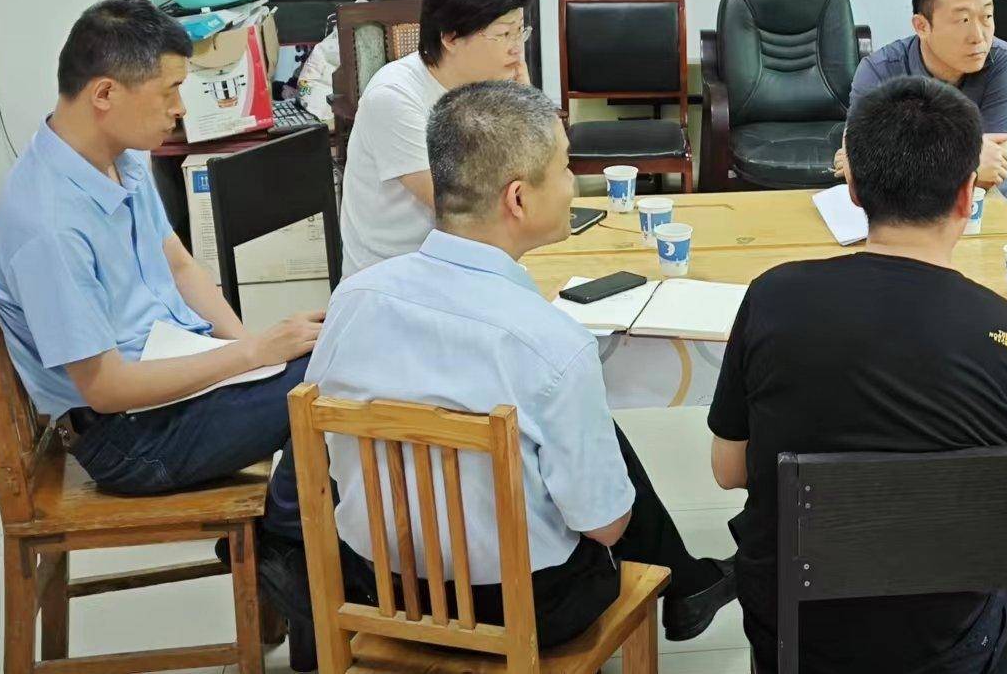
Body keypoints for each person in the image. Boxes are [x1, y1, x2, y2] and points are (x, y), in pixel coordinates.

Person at [305, 80, 736, 646]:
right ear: (518, 198)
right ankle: (688, 583)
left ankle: (689, 583)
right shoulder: (551, 342)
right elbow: (605, 525)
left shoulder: (354, 299)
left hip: (374, 582)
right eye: (562, 169)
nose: (572, 184)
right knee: (593, 487)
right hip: (524, 607)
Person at [0, 0, 322, 602]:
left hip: (172, 381)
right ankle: (290, 558)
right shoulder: (49, 225)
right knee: (329, 373)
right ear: (105, 93)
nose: (180, 108)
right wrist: (253, 357)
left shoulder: (118, 159)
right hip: (130, 440)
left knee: (329, 346)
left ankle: (287, 553)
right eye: (169, 91)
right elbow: (106, 388)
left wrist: (251, 351)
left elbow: (179, 263)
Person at [710, 76, 1007, 674]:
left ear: (853, 187)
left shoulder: (774, 297)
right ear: (966, 195)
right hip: (950, 645)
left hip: (799, 634)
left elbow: (728, 470)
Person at [340, 0, 532, 276]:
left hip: (467, 257)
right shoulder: (394, 98)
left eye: (518, 32)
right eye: (503, 34)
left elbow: (533, 173)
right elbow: (463, 208)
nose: (515, 49)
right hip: (397, 279)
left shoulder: (488, 81)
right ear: (451, 38)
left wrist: (523, 100)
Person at [834, 0, 1007, 206]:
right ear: (922, 26)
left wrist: (895, 159)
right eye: (963, 20)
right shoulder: (879, 70)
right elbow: (861, 174)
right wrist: (968, 159)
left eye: (987, 17)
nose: (979, 36)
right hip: (906, 215)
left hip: (990, 208)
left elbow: (992, 171)